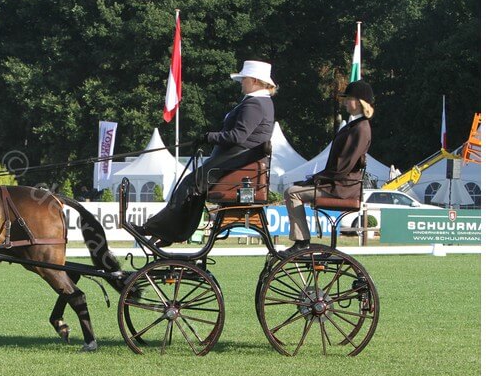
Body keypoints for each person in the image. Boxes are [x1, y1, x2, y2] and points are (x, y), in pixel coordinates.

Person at [135, 60, 277, 245]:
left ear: (255, 80)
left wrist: (209, 137)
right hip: (235, 160)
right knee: (192, 188)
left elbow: (238, 136)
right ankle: (168, 232)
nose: (241, 83)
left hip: (235, 161)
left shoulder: (255, 104)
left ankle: (157, 229)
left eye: (244, 79)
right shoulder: (261, 102)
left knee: (189, 186)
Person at [281, 80, 375, 256]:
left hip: (340, 187)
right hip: (337, 183)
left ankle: (301, 242)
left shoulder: (360, 129)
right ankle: (302, 241)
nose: (345, 102)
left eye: (348, 99)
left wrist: (316, 179)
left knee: (292, 192)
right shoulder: (356, 126)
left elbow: (342, 166)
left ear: (358, 102)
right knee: (294, 189)